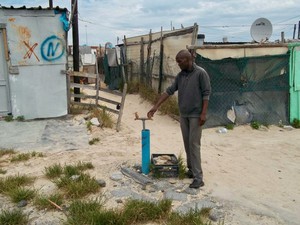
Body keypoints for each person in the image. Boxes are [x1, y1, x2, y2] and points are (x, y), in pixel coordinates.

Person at [147, 49, 211, 189]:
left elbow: (206, 93)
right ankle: (190, 170)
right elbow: (169, 91)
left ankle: (198, 178)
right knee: (187, 144)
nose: (178, 64)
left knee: (194, 145)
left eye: (179, 61)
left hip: (196, 115)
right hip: (184, 114)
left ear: (188, 60)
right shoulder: (180, 76)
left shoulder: (201, 73)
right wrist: (155, 106)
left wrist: (203, 113)